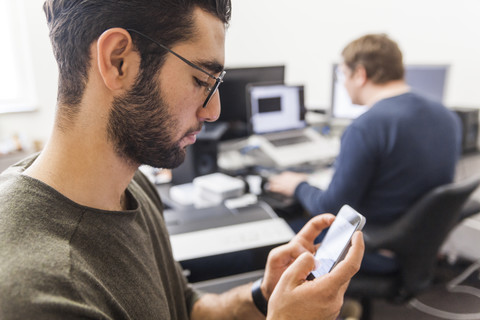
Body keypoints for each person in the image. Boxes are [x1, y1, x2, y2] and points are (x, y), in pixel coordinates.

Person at [0, 1, 365, 319]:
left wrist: (265, 294)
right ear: (118, 61)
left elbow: (187, 309)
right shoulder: (37, 295)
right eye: (201, 78)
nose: (214, 111)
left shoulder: (134, 187)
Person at [268, 33, 461, 273]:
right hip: (414, 247)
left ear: (360, 74)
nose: (344, 83)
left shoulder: (367, 126)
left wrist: (299, 185)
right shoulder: (447, 116)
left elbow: (330, 209)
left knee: (274, 231)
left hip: (370, 248)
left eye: (343, 74)